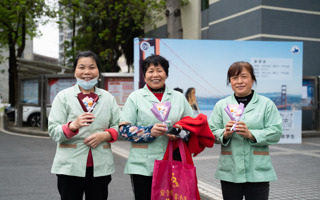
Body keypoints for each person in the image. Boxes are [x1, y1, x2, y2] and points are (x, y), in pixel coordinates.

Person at [119, 55, 195, 200]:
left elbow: (193, 128)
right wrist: (149, 131)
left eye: (159, 70)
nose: (155, 75)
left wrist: (179, 132)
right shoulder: (135, 97)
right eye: (150, 71)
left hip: (174, 163)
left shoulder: (178, 97)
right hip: (143, 166)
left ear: (166, 74)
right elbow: (123, 130)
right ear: (144, 75)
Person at [48, 51, 120, 200]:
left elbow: (119, 125)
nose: (87, 72)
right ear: (75, 71)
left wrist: (105, 135)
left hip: (100, 167)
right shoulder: (63, 97)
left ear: (98, 71)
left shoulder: (108, 98)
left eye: (92, 67)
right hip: (69, 167)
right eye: (81, 67)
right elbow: (53, 131)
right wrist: (72, 126)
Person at [208, 61, 282, 200]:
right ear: (229, 81)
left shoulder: (266, 104)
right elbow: (211, 132)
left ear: (253, 79)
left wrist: (251, 134)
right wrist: (225, 133)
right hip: (230, 171)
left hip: (258, 172)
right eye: (234, 78)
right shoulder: (221, 105)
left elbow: (276, 132)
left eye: (244, 76)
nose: (239, 81)